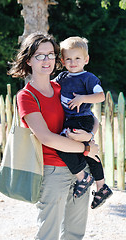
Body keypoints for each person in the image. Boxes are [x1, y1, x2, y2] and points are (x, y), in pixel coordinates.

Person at [8, 32, 99, 240]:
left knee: (75, 233)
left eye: (50, 54)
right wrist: (85, 147)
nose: (46, 60)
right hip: (52, 172)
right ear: (28, 59)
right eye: (40, 55)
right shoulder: (26, 96)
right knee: (48, 234)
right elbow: (46, 137)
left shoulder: (63, 87)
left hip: (80, 166)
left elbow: (93, 119)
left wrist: (89, 137)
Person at [55, 36, 113, 209]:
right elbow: (50, 86)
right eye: (69, 59)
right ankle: (101, 186)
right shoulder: (62, 77)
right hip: (71, 120)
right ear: (62, 61)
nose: (73, 62)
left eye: (77, 58)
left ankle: (83, 177)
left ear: (86, 60)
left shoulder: (89, 78)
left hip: (83, 119)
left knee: (62, 145)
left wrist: (83, 98)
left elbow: (101, 96)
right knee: (88, 152)